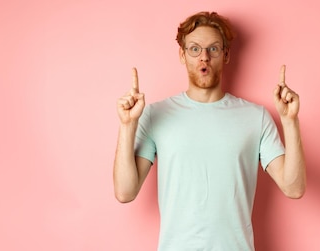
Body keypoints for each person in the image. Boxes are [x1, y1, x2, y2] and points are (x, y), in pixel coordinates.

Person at [113, 11, 306, 250]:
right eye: (195, 49)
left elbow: (294, 187)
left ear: (225, 55)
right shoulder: (154, 114)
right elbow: (125, 192)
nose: (204, 57)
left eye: (213, 49)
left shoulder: (255, 117)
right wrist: (127, 125)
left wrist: (290, 121)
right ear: (182, 55)